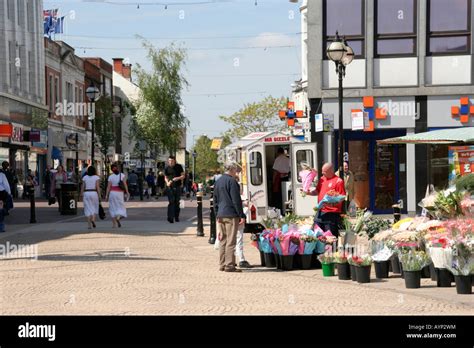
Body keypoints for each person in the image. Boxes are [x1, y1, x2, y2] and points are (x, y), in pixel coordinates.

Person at [214, 162, 246, 272]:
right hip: (231, 214)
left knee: (223, 240)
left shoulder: (218, 182)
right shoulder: (232, 182)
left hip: (221, 214)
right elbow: (236, 201)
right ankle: (229, 265)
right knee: (231, 241)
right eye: (236, 170)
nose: (236, 172)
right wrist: (241, 215)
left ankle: (222, 264)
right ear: (232, 170)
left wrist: (216, 214)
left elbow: (215, 200)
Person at [314, 163, 346, 238]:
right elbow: (317, 191)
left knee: (330, 238)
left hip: (331, 214)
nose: (322, 173)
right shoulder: (322, 179)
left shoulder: (338, 181)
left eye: (324, 172)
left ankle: (331, 249)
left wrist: (330, 204)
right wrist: (308, 192)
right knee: (317, 235)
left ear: (331, 171)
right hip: (320, 211)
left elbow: (341, 198)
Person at [106, 164, 129, 228]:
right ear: (118, 168)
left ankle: (114, 225)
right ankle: (118, 217)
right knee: (121, 206)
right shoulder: (122, 175)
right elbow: (125, 185)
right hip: (119, 193)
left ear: (112, 169)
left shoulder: (110, 177)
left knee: (112, 208)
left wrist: (106, 195)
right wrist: (127, 192)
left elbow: (108, 187)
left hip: (112, 193)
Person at [164, 156, 185, 223]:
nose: (170, 162)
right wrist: (167, 182)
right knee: (171, 202)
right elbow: (165, 177)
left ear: (174, 161)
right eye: (169, 161)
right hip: (170, 187)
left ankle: (176, 217)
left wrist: (177, 178)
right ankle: (170, 217)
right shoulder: (167, 168)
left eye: (172, 161)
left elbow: (183, 176)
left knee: (177, 202)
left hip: (177, 186)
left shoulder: (179, 167)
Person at [272, 147, 290, 213]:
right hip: (287, 178)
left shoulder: (277, 159)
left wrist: (273, 182)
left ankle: (279, 209)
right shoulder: (288, 159)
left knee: (278, 195)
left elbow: (275, 171)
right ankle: (285, 209)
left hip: (278, 178)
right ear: (283, 152)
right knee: (286, 194)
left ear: (278, 152)